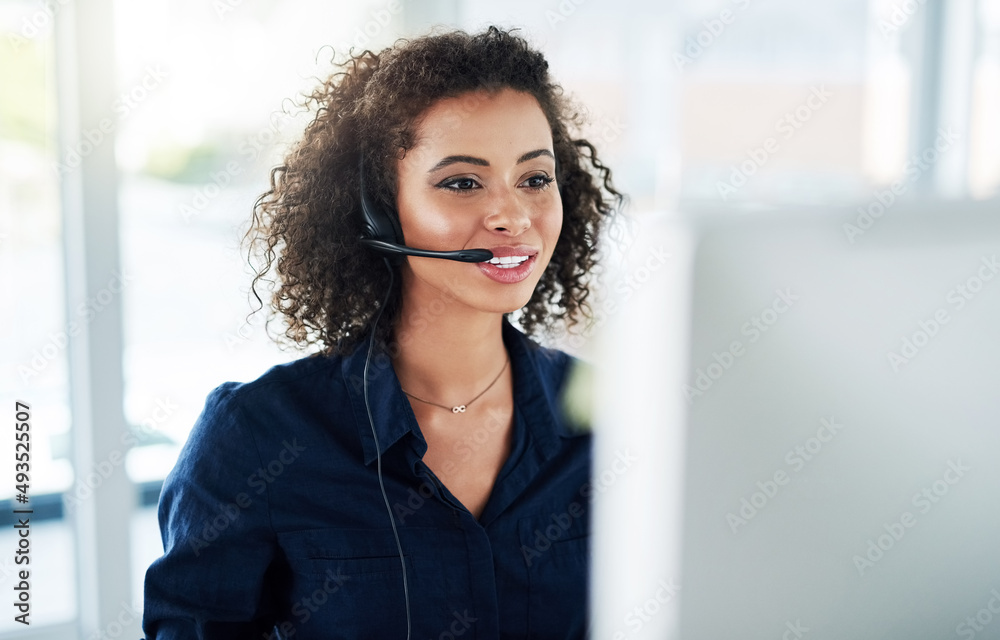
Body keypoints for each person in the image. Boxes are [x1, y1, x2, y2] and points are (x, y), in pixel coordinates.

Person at [142, 25, 623, 640]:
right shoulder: (257, 437)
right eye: (462, 183)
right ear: (378, 210)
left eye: (535, 178)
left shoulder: (608, 419)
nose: (513, 216)